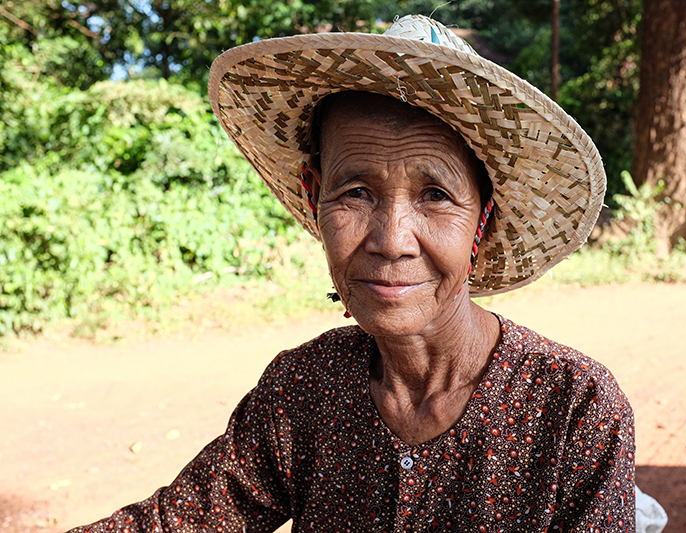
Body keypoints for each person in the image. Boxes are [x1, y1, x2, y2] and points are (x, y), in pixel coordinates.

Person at [68, 15, 639, 533]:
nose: (391, 240)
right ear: (316, 200)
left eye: (436, 195)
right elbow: (179, 522)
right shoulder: (305, 390)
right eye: (356, 192)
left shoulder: (574, 410)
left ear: (481, 220)